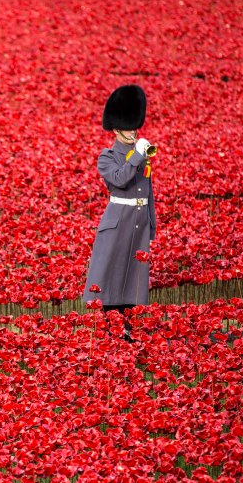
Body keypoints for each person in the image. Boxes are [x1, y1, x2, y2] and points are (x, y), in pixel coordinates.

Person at [82, 84, 156, 341]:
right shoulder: (108, 156)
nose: (133, 131)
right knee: (112, 273)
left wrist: (151, 225)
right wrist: (136, 156)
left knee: (133, 275)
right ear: (116, 129)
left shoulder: (141, 155)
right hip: (117, 221)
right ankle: (111, 328)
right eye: (128, 127)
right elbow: (120, 180)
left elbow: (148, 192)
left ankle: (127, 328)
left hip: (138, 222)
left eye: (134, 127)